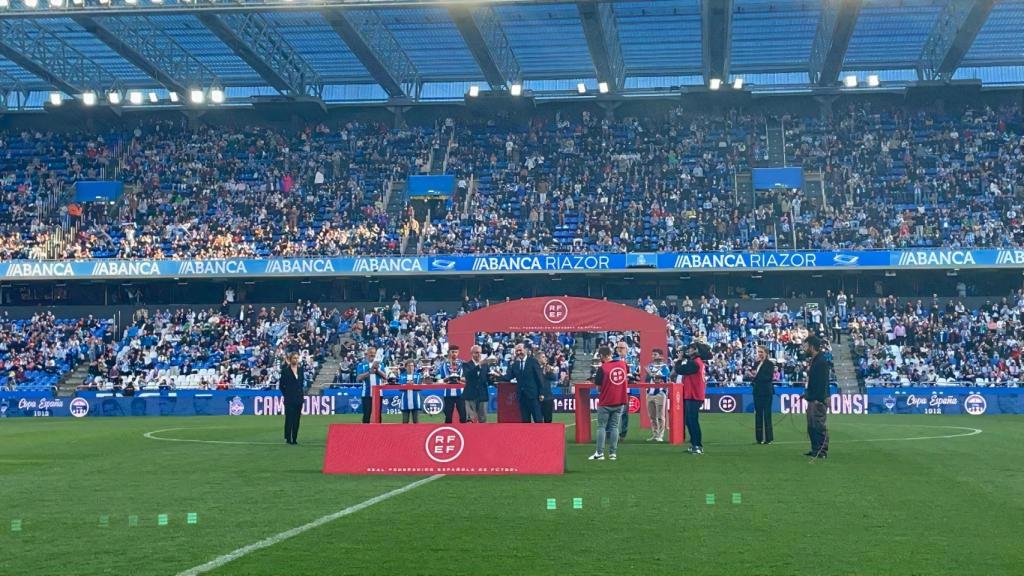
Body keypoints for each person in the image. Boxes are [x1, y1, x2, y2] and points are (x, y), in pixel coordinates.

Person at [588, 346, 628, 461]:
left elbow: (599, 388)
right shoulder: (622, 365)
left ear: (602, 356)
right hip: (620, 400)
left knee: (601, 427)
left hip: (606, 401)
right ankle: (612, 453)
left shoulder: (602, 368)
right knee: (614, 426)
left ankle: (599, 453)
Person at [673, 343, 706, 454]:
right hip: (692, 394)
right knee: (689, 420)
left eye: (690, 349)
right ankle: (694, 444)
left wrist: (679, 360)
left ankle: (698, 445)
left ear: (695, 350)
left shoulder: (695, 363)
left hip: (694, 395)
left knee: (692, 420)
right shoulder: (697, 362)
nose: (688, 351)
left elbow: (680, 370)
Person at [803, 335, 831, 459]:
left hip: (818, 399)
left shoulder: (821, 361)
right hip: (813, 398)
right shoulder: (815, 360)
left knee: (819, 425)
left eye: (806, 346)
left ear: (812, 346)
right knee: (811, 426)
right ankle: (815, 449)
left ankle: (822, 450)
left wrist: (815, 396)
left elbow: (822, 383)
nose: (804, 348)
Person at [507, 342, 544, 423]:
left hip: (533, 396)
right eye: (517, 351)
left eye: (520, 350)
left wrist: (541, 393)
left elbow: (539, 378)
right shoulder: (515, 364)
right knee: (525, 421)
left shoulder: (533, 361)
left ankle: (541, 435)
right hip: (522, 397)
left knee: (538, 419)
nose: (518, 352)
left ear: (526, 350)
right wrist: (496, 376)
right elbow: (508, 377)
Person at [747, 345, 776, 445]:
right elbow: (754, 375)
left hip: (766, 392)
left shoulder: (770, 364)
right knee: (758, 415)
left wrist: (755, 376)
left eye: (761, 352)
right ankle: (759, 438)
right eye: (759, 352)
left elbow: (768, 377)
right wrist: (751, 376)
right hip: (757, 391)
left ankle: (769, 438)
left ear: (766, 353)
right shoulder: (756, 363)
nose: (759, 354)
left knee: (767, 415)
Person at [436, 346, 469, 424]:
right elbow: (439, 378)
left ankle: (464, 433)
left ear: (458, 353)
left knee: (463, 416)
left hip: (460, 394)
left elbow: (467, 378)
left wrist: (459, 379)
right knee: (448, 417)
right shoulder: (443, 365)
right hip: (448, 394)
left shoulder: (463, 363)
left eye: (456, 352)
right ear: (449, 352)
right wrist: (447, 379)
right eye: (452, 352)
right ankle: (448, 432)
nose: (454, 354)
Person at [612, 340, 637, 440]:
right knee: (613, 412)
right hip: (614, 389)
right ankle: (612, 432)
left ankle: (623, 433)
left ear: (626, 349)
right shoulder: (613, 359)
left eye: (621, 348)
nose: (619, 350)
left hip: (626, 388)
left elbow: (634, 372)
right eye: (618, 347)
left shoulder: (631, 359)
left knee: (624, 413)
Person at [355, 347, 387, 424]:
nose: (372, 354)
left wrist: (377, 371)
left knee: (378, 415)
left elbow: (385, 377)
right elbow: (358, 378)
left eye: (374, 353)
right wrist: (369, 372)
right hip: (366, 394)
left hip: (378, 394)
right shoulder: (362, 364)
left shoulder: (380, 364)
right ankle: (365, 434)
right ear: (367, 354)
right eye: (370, 352)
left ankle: (378, 433)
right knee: (366, 415)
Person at [645, 348, 670, 442]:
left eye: (655, 354)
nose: (653, 356)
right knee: (652, 416)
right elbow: (647, 379)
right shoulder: (649, 366)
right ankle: (655, 434)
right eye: (652, 354)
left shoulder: (664, 367)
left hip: (660, 393)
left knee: (660, 416)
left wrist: (652, 374)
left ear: (660, 355)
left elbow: (663, 378)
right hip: (649, 393)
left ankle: (660, 435)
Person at [279, 353, 304, 445]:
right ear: (290, 359)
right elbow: (281, 385)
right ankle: (288, 438)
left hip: (298, 399)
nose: (296, 360)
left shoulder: (301, 370)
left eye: (297, 358)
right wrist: (287, 394)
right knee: (289, 418)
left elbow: (301, 383)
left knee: (297, 419)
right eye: (294, 358)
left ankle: (294, 438)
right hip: (289, 398)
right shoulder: (285, 371)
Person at [462, 345, 493, 423]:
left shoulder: (485, 366)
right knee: (470, 420)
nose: (479, 354)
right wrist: (479, 365)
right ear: (471, 353)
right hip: (470, 395)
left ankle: (482, 435)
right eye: (476, 353)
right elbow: (468, 376)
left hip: (482, 395)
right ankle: (470, 435)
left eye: (480, 353)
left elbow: (488, 380)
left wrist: (494, 378)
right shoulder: (466, 365)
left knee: (483, 420)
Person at [537, 352, 557, 423]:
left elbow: (554, 378)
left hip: (548, 397)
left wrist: (550, 372)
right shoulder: (535, 369)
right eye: (543, 357)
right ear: (538, 359)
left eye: (545, 357)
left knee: (548, 420)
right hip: (537, 398)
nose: (545, 358)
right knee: (538, 421)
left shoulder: (548, 368)